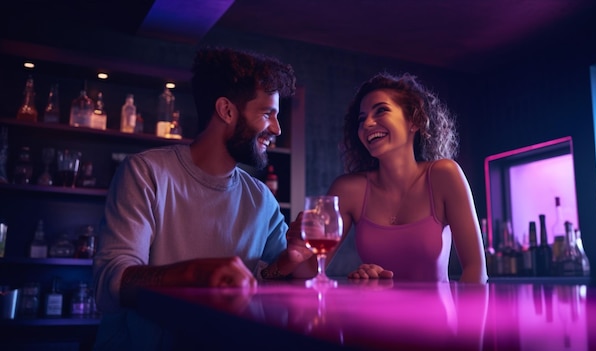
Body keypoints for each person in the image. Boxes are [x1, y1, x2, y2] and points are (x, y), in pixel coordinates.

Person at [92, 47, 310, 350]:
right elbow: (110, 285)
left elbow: (290, 279)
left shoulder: (261, 198)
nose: (276, 128)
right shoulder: (145, 172)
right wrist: (193, 274)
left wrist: (292, 260)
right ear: (227, 110)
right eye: (266, 114)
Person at [320, 72, 487, 283]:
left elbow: (476, 271)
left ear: (414, 121)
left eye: (381, 111)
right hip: (373, 315)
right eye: (362, 119)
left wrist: (471, 316)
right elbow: (312, 269)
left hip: (437, 317)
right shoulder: (348, 189)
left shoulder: (444, 175)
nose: (367, 124)